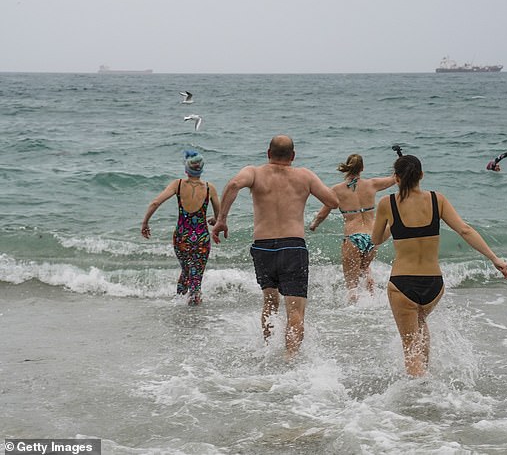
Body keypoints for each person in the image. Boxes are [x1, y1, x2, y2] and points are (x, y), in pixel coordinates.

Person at [371, 154, 507, 377]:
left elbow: (376, 239)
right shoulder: (438, 200)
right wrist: (495, 259)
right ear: (422, 176)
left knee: (409, 349)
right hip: (434, 285)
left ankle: (420, 396)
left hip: (402, 284)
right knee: (421, 324)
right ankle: (427, 380)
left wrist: (393, 225)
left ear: (396, 178)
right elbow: (465, 230)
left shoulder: (387, 204)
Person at [211, 135, 339, 359]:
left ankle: (269, 351)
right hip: (293, 247)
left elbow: (233, 185)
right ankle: (290, 358)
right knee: (295, 310)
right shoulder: (305, 176)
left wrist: (222, 219)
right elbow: (333, 202)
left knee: (270, 303)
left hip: (263, 247)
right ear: (293, 156)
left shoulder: (254, 172)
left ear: (268, 153)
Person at [309, 154, 395, 303]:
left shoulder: (336, 190)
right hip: (373, 237)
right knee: (365, 269)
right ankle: (372, 305)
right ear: (362, 168)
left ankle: (353, 312)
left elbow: (323, 213)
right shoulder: (372, 184)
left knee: (352, 286)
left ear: (347, 167)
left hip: (353, 238)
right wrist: (401, 160)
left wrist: (314, 225)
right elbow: (395, 178)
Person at [141, 151, 220, 306]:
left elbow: (155, 202)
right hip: (202, 238)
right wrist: (214, 221)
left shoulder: (177, 185)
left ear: (186, 169)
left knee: (186, 271)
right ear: (201, 169)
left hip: (181, 237)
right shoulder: (210, 189)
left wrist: (145, 223)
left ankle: (179, 305)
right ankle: (193, 311)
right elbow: (220, 215)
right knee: (196, 276)